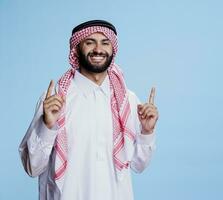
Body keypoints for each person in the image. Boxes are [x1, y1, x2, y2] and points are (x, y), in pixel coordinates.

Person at [18, 20, 159, 200]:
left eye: (105, 43)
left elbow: (139, 165)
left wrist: (147, 131)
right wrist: (47, 126)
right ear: (76, 49)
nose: (98, 49)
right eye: (90, 42)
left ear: (113, 50)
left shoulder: (128, 101)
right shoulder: (54, 99)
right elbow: (33, 167)